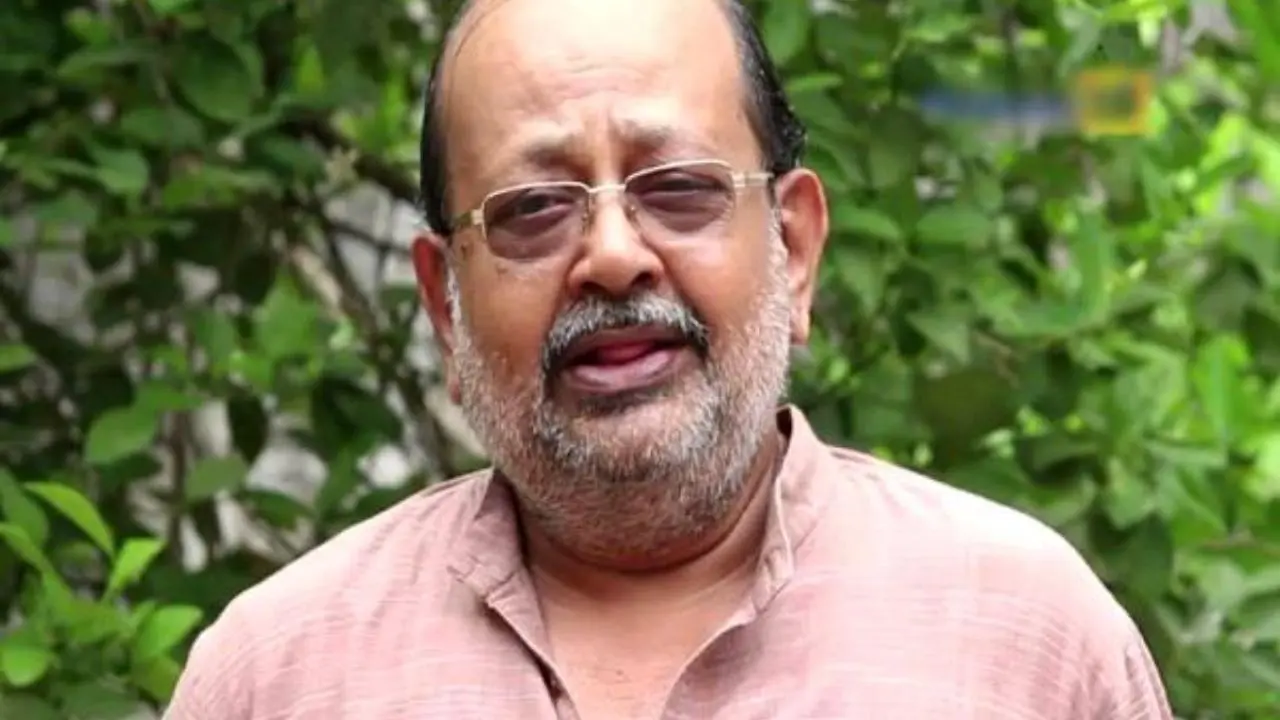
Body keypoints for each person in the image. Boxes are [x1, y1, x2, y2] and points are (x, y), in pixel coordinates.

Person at [164, 0, 1175, 718]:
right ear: (444, 305)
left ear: (794, 251)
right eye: (532, 209)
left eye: (680, 188)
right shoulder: (279, 676)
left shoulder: (1027, 640)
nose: (611, 257)